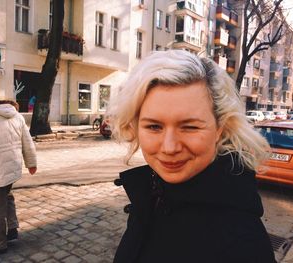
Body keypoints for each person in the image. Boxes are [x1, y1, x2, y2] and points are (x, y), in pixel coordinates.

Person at [108, 50, 276, 263]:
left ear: (219, 130)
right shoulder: (153, 195)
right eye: (154, 126)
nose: (169, 147)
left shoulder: (242, 242)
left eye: (189, 127)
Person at [0, 90, 37, 255]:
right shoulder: (16, 115)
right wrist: (31, 163)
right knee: (7, 196)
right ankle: (12, 229)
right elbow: (27, 141)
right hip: (12, 167)